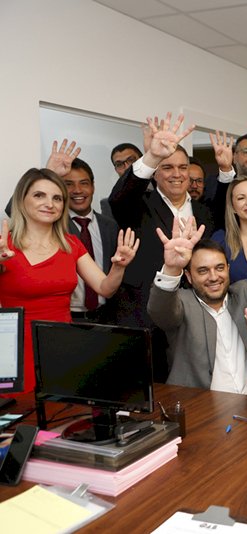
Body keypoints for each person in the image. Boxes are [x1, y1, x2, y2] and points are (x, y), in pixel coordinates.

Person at [0, 168, 138, 393]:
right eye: (39, 195)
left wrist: (118, 267)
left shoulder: (71, 244)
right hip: (15, 352)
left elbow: (105, 288)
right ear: (21, 199)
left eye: (57, 198)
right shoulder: (4, 246)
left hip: (63, 348)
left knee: (66, 418)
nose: (50, 203)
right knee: (20, 420)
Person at [108, 112, 214, 381]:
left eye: (182, 168)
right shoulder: (137, 204)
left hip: (195, 313)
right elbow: (118, 197)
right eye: (167, 167)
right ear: (155, 174)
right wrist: (152, 156)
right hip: (145, 314)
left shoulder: (205, 212)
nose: (176, 174)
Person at [148, 216, 247, 395]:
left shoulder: (242, 293)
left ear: (228, 269)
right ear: (188, 276)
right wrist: (171, 269)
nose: (213, 277)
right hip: (200, 409)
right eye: (203, 270)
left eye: (219, 268)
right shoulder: (181, 303)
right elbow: (160, 311)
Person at [62, 156, 120, 323]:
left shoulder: (110, 226)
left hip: (105, 317)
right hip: (67, 319)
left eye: (84, 183)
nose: (77, 190)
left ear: (93, 187)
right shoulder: (52, 226)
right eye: (69, 184)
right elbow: (16, 211)